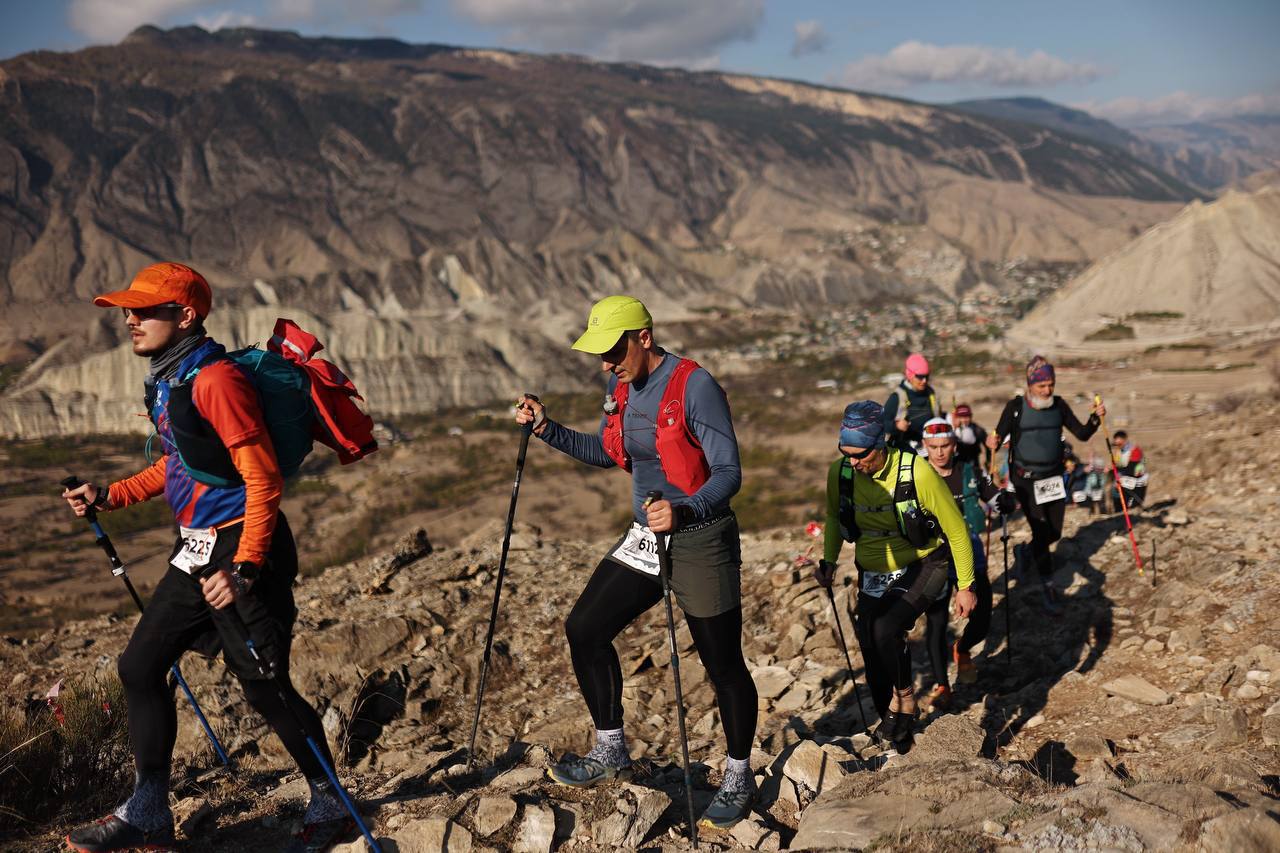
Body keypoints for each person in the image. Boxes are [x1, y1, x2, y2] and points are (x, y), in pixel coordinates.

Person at [61, 263, 354, 853]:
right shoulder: (174, 378)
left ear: (186, 316)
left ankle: (332, 801)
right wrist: (111, 494)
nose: (130, 319)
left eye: (144, 310)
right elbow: (181, 460)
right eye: (128, 309)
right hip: (195, 547)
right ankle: (147, 812)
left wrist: (244, 567)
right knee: (140, 668)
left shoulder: (216, 381)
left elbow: (262, 477)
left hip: (245, 547)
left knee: (265, 685)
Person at [514, 295, 758, 830]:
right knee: (585, 627)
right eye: (599, 354)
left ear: (643, 337)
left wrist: (685, 508)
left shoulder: (695, 386)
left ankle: (740, 775)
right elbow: (610, 453)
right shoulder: (619, 387)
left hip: (700, 536)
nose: (605, 363)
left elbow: (729, 472)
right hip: (648, 537)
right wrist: (546, 429)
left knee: (722, 666)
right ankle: (610, 750)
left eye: (612, 350)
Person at [814, 402, 975, 752]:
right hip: (872, 570)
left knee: (886, 627)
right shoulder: (840, 474)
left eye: (860, 454)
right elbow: (833, 517)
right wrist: (828, 561)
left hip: (925, 563)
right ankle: (899, 738)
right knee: (872, 651)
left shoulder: (917, 472)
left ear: (880, 444)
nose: (853, 462)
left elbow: (957, 530)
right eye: (846, 453)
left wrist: (966, 586)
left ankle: (905, 698)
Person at [985, 356, 1104, 609]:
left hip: (1053, 479)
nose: (1047, 390)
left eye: (1051, 384)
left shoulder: (1059, 406)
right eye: (1042, 386)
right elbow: (997, 437)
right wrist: (991, 444)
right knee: (1041, 531)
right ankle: (1048, 586)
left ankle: (1025, 553)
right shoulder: (1015, 407)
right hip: (1025, 481)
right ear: (1030, 384)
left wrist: (1095, 418)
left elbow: (1081, 434)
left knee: (1055, 532)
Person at [918, 419, 1015, 711]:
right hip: (933, 558)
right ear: (925, 446)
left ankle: (961, 648)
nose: (939, 453)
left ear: (954, 445)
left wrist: (1004, 501)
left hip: (970, 554)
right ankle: (941, 685)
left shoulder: (969, 471)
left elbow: (992, 496)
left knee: (983, 617)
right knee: (936, 622)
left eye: (944, 446)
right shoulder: (916, 474)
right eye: (933, 447)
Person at [883, 353, 943, 453]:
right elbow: (881, 424)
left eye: (926, 377)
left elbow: (938, 416)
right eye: (920, 377)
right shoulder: (897, 397)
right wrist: (896, 426)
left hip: (931, 449)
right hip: (905, 452)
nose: (924, 381)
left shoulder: (931, 394)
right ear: (909, 375)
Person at [1110, 430, 1148, 510]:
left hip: (1138, 481)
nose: (1117, 446)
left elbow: (1131, 468)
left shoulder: (1134, 450)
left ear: (1125, 440)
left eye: (1119, 444)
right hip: (1125, 479)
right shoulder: (1118, 452)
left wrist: (1116, 470)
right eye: (1116, 444)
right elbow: (1118, 465)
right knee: (1119, 499)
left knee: (1135, 505)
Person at [948, 403, 991, 471]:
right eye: (961, 417)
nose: (964, 420)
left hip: (973, 463)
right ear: (956, 417)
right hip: (955, 464)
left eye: (966, 417)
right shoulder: (950, 429)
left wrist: (988, 461)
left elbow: (988, 446)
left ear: (971, 417)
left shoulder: (977, 430)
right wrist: (954, 428)